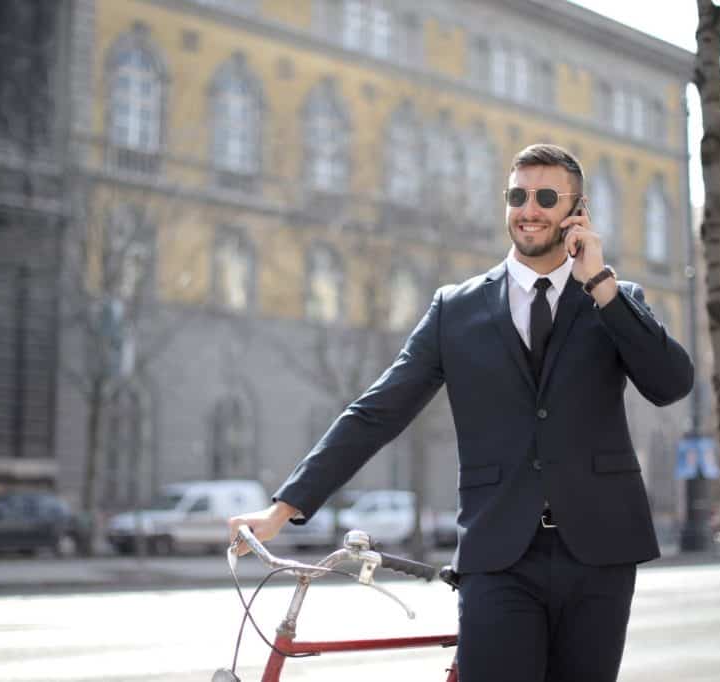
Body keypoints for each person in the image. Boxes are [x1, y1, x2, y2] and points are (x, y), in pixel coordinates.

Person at [228, 143, 694, 682]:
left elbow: (671, 384)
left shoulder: (614, 299)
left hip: (600, 551)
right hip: (499, 554)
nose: (530, 209)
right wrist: (282, 509)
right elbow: (376, 411)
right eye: (518, 195)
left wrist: (601, 282)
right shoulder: (456, 309)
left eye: (547, 196)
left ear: (577, 210)